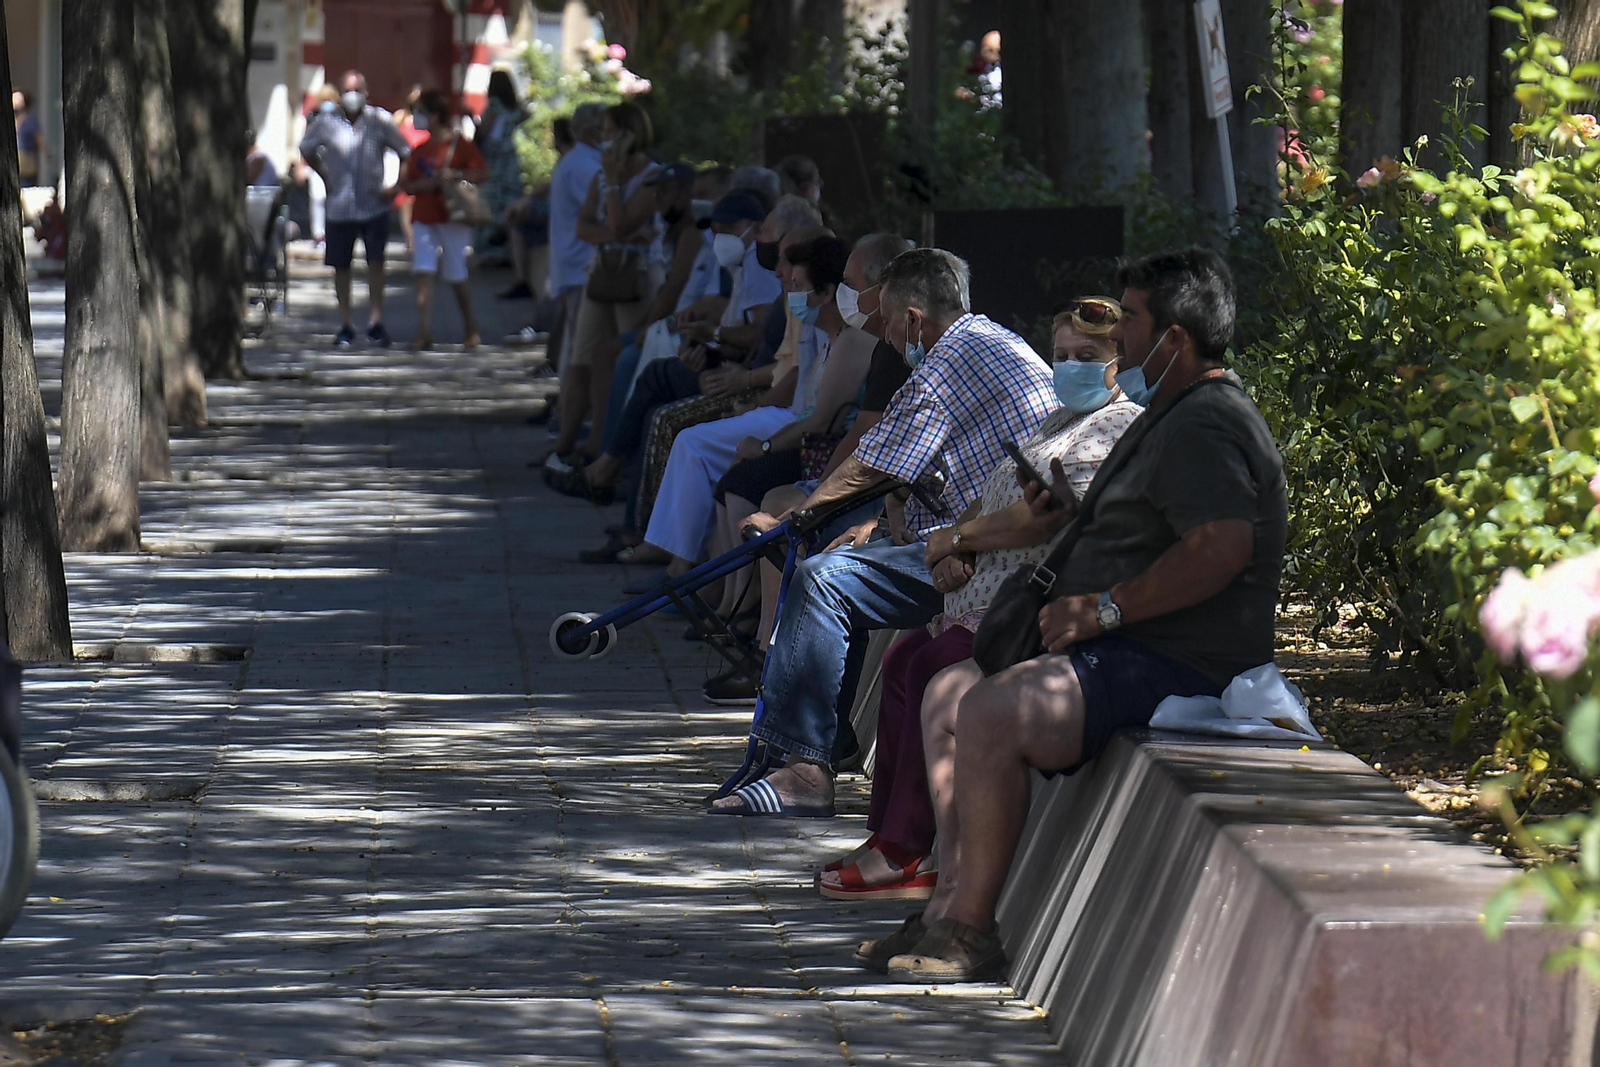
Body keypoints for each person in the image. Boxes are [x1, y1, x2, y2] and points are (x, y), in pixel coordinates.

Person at [860, 248, 1288, 983]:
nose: (1122, 343)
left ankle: (971, 928)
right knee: (951, 689)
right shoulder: (1175, 412)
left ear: (1175, 339)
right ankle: (946, 901)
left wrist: (1106, 608)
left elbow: (1221, 547)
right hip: (1128, 638)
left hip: (1176, 655)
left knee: (991, 710)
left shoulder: (1209, 422)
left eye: (1134, 324)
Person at [708, 248, 1060, 817]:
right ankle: (821, 738)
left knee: (824, 581)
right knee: (842, 562)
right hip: (981, 535)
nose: (890, 338)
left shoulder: (950, 360)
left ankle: (802, 767)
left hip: (989, 553)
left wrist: (800, 515)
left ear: (915, 318)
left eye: (892, 323)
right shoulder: (989, 341)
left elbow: (875, 460)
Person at [817, 298, 1140, 900]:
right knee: (900, 661)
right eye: (1062, 356)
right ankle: (890, 837)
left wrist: (954, 538)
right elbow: (994, 497)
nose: (1070, 367)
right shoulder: (1054, 421)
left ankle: (907, 849)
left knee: (932, 672)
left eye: (1087, 358)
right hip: (979, 594)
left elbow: (1038, 519)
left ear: (1118, 362)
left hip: (1026, 609)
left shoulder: (1116, 427)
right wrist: (953, 551)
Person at [699, 232, 912, 704]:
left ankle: (767, 655)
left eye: (849, 284)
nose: (841, 292)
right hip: (879, 483)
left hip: (892, 498)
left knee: (783, 511)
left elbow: (863, 440)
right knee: (772, 500)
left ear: (882, 290)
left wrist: (817, 498)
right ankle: (751, 629)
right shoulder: (882, 343)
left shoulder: (893, 347)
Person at [642, 234, 851, 576]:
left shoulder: (839, 332)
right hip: (783, 415)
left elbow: (810, 408)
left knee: (693, 444)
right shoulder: (816, 322)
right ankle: (707, 586)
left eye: (792, 274)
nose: (780, 275)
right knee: (697, 447)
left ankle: (686, 572)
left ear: (827, 291)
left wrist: (760, 425)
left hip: (791, 422)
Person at [555, 102, 662, 462]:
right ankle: (568, 443)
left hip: (635, 277)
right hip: (600, 273)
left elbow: (619, 222)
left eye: (611, 131)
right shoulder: (602, 175)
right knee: (581, 357)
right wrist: (617, 233)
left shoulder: (650, 177)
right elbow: (585, 226)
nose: (604, 139)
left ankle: (607, 446)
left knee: (617, 358)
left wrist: (615, 184)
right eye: (602, 131)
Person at [297, 70, 412, 348]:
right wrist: (324, 175)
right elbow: (307, 148)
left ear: (365, 92)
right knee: (341, 267)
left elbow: (405, 151)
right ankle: (346, 323)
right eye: (347, 90)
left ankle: (375, 321)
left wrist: (396, 187)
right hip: (340, 207)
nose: (352, 95)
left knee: (376, 264)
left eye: (357, 89)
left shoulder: (380, 120)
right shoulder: (326, 122)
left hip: (373, 205)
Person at [400, 89, 490, 350]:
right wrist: (423, 185)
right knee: (423, 272)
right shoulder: (418, 149)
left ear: (435, 116)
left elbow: (483, 173)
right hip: (424, 216)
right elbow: (406, 184)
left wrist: (456, 174)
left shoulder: (460, 145)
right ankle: (424, 331)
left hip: (453, 217)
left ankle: (471, 326)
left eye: (422, 112)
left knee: (456, 273)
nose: (417, 117)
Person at [538, 102, 606, 373]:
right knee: (583, 348)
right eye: (607, 129)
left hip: (577, 262)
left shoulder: (581, 161)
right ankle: (568, 409)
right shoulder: (583, 166)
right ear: (592, 132)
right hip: (580, 264)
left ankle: (566, 407)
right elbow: (602, 211)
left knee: (577, 342)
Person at [501, 117, 573, 302]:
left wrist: (527, 201)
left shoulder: (571, 158)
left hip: (560, 214)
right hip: (554, 212)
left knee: (518, 216)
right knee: (517, 226)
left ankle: (505, 230)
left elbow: (553, 188)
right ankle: (521, 279)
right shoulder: (566, 158)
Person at [475, 70, 530, 246]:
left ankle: (490, 248)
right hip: (510, 158)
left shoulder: (494, 106)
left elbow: (484, 132)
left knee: (492, 205)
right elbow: (526, 114)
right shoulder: (513, 108)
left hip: (493, 160)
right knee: (510, 202)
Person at [299, 85, 341, 249]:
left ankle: (333, 231)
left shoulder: (341, 118)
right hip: (316, 163)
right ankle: (318, 234)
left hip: (336, 163)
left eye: (330, 99)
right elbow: (305, 143)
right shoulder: (313, 117)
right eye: (324, 100)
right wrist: (302, 165)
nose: (327, 103)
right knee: (317, 198)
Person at [392, 87, 429, 254]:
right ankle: (410, 238)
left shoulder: (429, 119)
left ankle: (422, 237)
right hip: (407, 163)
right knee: (405, 203)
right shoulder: (402, 118)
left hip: (426, 164)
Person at [12, 90, 45, 187]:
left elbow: (39, 138)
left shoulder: (30, 120)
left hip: (27, 164)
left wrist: (47, 155)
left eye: (18, 99)